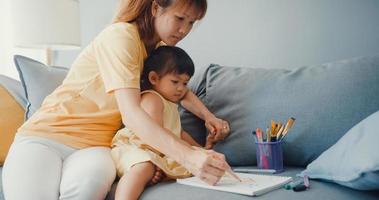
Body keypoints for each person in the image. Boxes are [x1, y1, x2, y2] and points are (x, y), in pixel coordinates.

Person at [2, 0, 231, 200]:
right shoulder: (121, 36)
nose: (184, 30)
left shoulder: (158, 50)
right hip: (45, 135)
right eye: (180, 18)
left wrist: (209, 117)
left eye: (192, 22)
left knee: (88, 187)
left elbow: (182, 90)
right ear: (155, 7)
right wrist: (190, 156)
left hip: (96, 147)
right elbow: (132, 114)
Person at [112, 45, 218, 200]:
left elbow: (179, 133)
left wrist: (200, 150)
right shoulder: (152, 98)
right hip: (132, 147)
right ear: (154, 78)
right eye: (175, 82)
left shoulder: (170, 103)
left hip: (154, 150)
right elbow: (155, 134)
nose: (181, 89)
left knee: (190, 167)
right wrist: (191, 151)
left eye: (185, 83)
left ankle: (154, 173)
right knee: (144, 167)